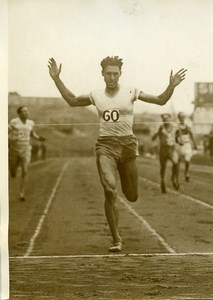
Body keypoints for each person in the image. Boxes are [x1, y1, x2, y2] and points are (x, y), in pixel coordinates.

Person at [48, 56, 187, 252]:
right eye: (108, 73)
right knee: (110, 190)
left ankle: (122, 190)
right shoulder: (96, 95)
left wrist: (171, 85)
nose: (112, 77)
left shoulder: (131, 92)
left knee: (131, 195)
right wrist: (56, 79)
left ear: (120, 74)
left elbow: (160, 100)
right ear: (102, 74)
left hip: (128, 147)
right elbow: (72, 101)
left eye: (115, 73)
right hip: (105, 146)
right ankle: (116, 239)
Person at [9, 106, 45, 201]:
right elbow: (6, 132)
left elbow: (32, 133)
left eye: (27, 111)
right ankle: (13, 166)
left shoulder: (30, 123)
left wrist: (39, 138)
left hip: (26, 149)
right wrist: (10, 137)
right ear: (19, 113)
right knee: (13, 173)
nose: (26, 113)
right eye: (24, 111)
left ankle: (22, 193)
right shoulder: (14, 122)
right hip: (14, 149)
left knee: (25, 170)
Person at [152, 113, 179, 193]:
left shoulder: (174, 127)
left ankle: (173, 179)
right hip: (163, 150)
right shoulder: (161, 127)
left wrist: (178, 141)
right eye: (164, 119)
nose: (166, 120)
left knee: (176, 163)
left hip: (172, 149)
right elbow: (153, 138)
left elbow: (177, 137)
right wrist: (157, 132)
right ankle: (162, 182)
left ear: (170, 119)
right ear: (162, 120)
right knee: (163, 167)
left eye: (167, 119)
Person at [175, 112, 197, 182]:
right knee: (178, 161)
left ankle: (186, 173)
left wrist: (195, 144)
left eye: (183, 117)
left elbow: (191, 135)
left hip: (187, 145)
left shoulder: (187, 126)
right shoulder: (177, 127)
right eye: (181, 117)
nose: (182, 118)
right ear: (179, 118)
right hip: (180, 146)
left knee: (187, 160)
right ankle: (177, 175)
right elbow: (175, 138)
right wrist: (178, 142)